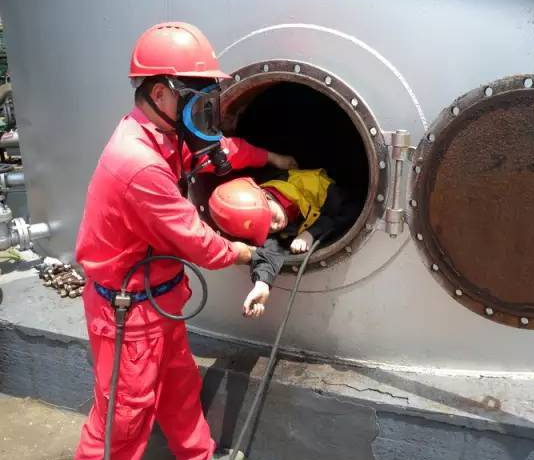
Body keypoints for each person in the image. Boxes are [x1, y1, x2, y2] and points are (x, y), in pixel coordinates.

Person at [74, 22, 296, 460]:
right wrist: (247, 252)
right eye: (197, 96)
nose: (205, 108)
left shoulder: (164, 136)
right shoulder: (139, 163)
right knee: (124, 418)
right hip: (128, 315)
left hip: (161, 301)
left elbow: (219, 152)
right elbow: (197, 242)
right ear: (160, 94)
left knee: (180, 390)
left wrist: (270, 157)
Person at [208, 167, 360, 297]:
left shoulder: (312, 184)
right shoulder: (263, 219)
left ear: (267, 196)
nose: (274, 226)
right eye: (266, 228)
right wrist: (262, 284)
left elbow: (348, 211)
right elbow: (268, 252)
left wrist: (311, 233)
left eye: (271, 217)